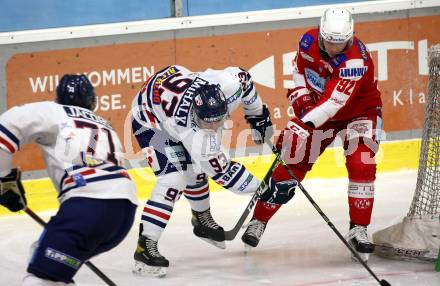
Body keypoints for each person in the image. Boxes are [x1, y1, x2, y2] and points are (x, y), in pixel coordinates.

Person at [242, 8, 383, 263]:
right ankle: (258, 220)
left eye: (341, 43)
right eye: (330, 42)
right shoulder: (307, 40)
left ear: (350, 37)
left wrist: (301, 125)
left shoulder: (354, 62)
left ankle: (359, 228)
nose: (334, 48)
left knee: (361, 163)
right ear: (320, 33)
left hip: (360, 113)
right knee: (292, 163)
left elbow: (333, 105)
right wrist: (302, 101)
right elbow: (299, 72)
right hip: (319, 111)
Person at [131, 65, 297, 277]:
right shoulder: (189, 128)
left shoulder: (229, 85)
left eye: (219, 120)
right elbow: (223, 172)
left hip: (169, 88)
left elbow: (244, 77)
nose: (214, 126)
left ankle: (201, 218)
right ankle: (145, 246)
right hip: (149, 117)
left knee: (196, 165)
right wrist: (265, 190)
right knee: (174, 178)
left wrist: (256, 116)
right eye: (207, 123)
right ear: (197, 116)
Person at [0, 74, 138, 285]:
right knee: (42, 256)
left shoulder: (53, 111)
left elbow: (5, 129)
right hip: (123, 213)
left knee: (39, 280)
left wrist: (4, 180)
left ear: (58, 98)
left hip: (88, 207)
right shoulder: (104, 125)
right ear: (92, 100)